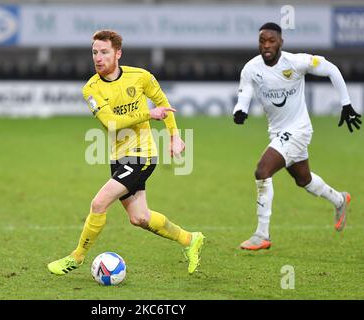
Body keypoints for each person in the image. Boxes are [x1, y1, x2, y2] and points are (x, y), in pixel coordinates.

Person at [48, 30, 205, 275]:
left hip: (142, 155)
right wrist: (147, 114)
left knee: (98, 203)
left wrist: (174, 136)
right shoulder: (91, 89)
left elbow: (163, 103)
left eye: (104, 52)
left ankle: (76, 257)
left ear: (118, 53)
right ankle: (189, 239)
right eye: (94, 53)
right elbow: (110, 122)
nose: (98, 58)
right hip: (118, 156)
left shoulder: (140, 77)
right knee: (139, 218)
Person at [233, 22, 361, 250]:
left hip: (299, 129)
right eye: (262, 41)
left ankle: (262, 234)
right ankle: (340, 199)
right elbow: (245, 93)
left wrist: (346, 104)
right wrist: (240, 110)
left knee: (262, 170)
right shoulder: (251, 68)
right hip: (277, 131)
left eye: (272, 40)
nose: (267, 46)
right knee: (304, 180)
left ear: (281, 42)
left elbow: (330, 69)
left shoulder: (297, 62)